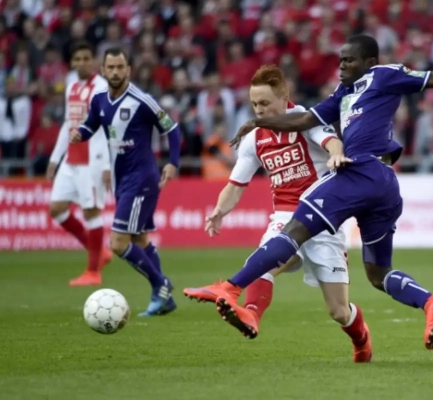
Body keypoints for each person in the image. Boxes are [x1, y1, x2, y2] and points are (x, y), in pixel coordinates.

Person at [186, 35, 433, 350]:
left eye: (349, 60)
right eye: (340, 60)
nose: (341, 66)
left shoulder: (383, 75)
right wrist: (259, 124)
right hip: (384, 184)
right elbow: (304, 119)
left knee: (293, 228)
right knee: (378, 274)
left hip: (361, 169)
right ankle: (430, 302)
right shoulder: (343, 94)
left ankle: (230, 287)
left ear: (369, 61)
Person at [184, 65, 372, 362]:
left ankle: (361, 339)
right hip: (285, 217)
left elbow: (332, 141)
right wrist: (219, 210)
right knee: (264, 261)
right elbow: (235, 185)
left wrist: (336, 153)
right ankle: (250, 314)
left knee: (338, 310)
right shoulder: (254, 138)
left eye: (265, 103)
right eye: (254, 104)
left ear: (284, 98)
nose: (259, 110)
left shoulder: (306, 119)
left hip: (321, 218)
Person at [69, 47, 181, 317]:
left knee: (118, 243)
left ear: (128, 70)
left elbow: (173, 129)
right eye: (111, 67)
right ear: (103, 70)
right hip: (121, 181)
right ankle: (164, 299)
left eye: (121, 67)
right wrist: (80, 133)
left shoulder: (142, 101)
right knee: (140, 238)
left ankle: (161, 284)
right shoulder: (99, 100)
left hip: (141, 178)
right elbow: (91, 125)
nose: (116, 72)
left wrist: (173, 162)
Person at [47, 41, 113, 286]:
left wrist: (106, 165)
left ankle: (93, 271)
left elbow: (107, 127)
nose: (82, 63)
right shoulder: (71, 86)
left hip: (92, 159)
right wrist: (55, 159)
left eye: (86, 58)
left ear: (94, 61)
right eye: (78, 59)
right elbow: (68, 123)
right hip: (71, 158)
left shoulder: (102, 88)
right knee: (56, 208)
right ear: (72, 63)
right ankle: (99, 252)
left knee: (91, 211)